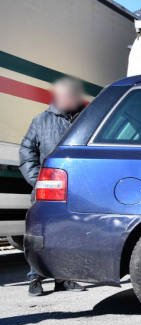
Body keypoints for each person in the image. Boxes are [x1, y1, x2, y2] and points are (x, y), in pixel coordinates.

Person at [19, 77, 87, 296]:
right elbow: (26, 152)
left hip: (74, 190)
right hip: (46, 190)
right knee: (39, 235)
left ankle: (64, 278)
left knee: (68, 234)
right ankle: (35, 278)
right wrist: (38, 181)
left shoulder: (84, 120)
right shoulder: (41, 120)